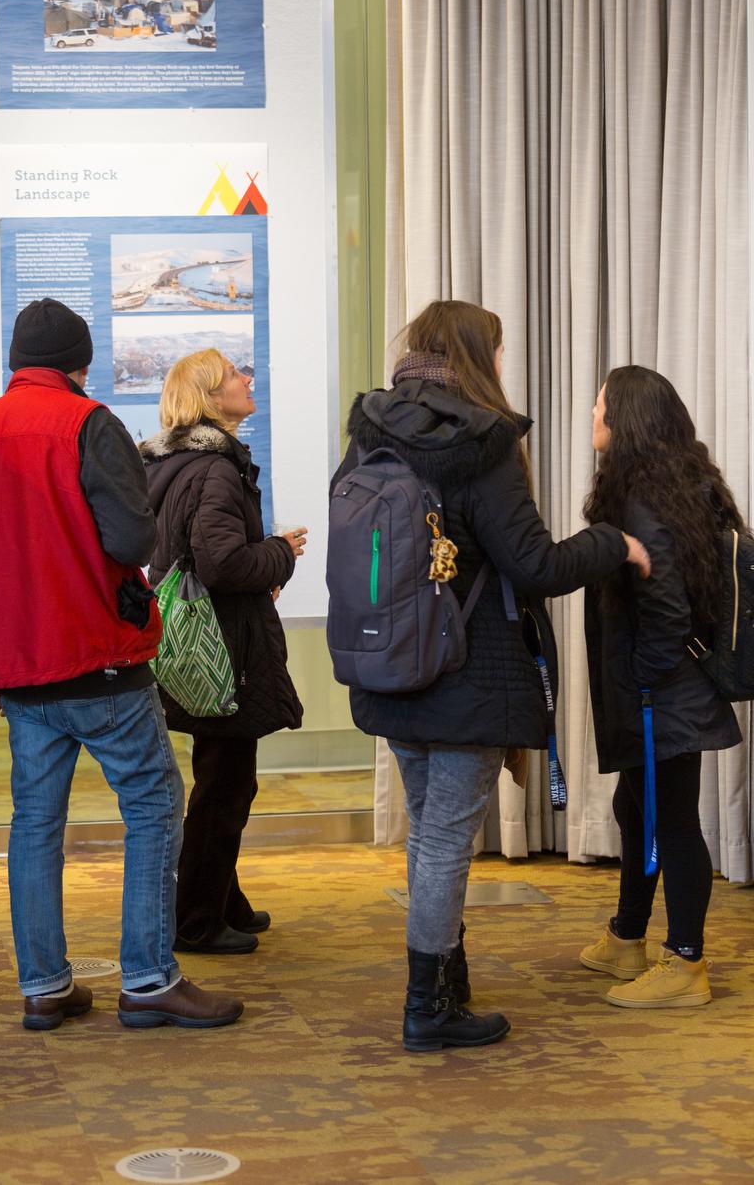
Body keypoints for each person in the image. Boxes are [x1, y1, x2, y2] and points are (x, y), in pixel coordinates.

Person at [334, 301, 651, 1053]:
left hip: (388, 664)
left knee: (428, 833)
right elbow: (535, 565)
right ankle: (427, 1007)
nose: (504, 364)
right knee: (446, 839)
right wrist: (614, 543)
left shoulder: (370, 431)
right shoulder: (483, 442)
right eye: (500, 351)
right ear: (479, 355)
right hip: (467, 672)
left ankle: (446, 978)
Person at [0, 299, 242, 1031]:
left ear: (17, 361)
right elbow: (132, 541)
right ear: (80, 363)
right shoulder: (89, 423)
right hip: (95, 654)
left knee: (35, 823)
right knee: (153, 805)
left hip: (17, 664)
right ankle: (148, 978)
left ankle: (44, 984)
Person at [579, 367, 743, 1009]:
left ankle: (686, 964)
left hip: (664, 691)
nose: (593, 415)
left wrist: (644, 681)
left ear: (626, 419)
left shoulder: (645, 500)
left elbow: (668, 609)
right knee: (635, 808)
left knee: (671, 821)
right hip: (670, 686)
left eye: (601, 405)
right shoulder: (675, 486)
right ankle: (627, 937)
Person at [140, 349, 305, 954]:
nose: (246, 379)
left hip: (197, 639)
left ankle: (221, 899)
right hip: (224, 646)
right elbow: (224, 564)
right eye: (235, 375)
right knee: (225, 788)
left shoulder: (173, 464)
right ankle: (197, 920)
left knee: (222, 776)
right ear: (211, 399)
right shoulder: (215, 470)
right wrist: (280, 552)